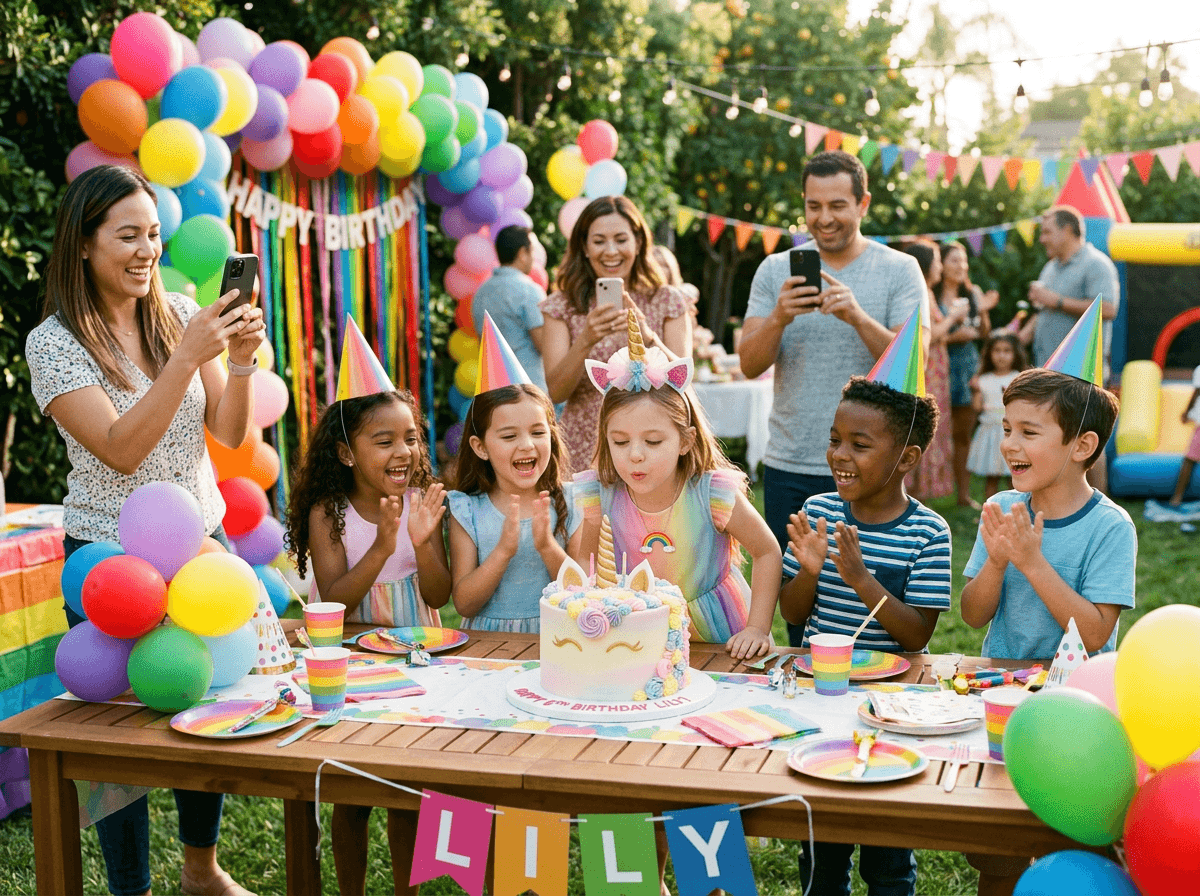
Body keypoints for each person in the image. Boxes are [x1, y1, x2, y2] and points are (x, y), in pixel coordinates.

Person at [25, 164, 263, 896]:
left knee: (201, 703)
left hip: (199, 551)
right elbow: (121, 446)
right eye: (127, 235)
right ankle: (130, 887)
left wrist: (243, 363)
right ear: (84, 245)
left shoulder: (178, 313)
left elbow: (226, 433)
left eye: (153, 233)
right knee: (119, 742)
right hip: (110, 560)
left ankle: (202, 870)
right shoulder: (54, 343)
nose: (147, 250)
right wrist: (189, 357)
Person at [739, 150, 927, 646]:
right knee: (801, 599)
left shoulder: (899, 269)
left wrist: (858, 317)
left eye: (838, 205)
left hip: (875, 465)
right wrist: (778, 317)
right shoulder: (773, 270)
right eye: (813, 206)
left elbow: (915, 362)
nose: (824, 218)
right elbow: (749, 363)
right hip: (793, 461)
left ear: (863, 203)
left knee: (875, 599)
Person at [959, 368, 1134, 896]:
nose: (1009, 444)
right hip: (1005, 702)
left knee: (1075, 841)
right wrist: (994, 563)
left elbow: (1098, 634)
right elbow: (971, 614)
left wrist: (1033, 563)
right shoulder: (1000, 509)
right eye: (1007, 428)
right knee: (997, 850)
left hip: (1081, 715)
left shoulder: (1110, 526)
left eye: (1028, 432)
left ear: (1082, 445)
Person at [779, 377, 950, 896]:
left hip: (892, 706)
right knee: (822, 844)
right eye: (835, 439)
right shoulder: (819, 511)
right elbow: (791, 610)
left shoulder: (928, 532)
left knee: (887, 850)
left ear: (906, 456)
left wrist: (860, 577)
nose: (840, 455)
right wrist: (808, 571)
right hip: (820, 696)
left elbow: (917, 633)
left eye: (859, 444)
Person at [285, 388, 452, 896]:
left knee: (407, 789)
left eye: (410, 438)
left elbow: (439, 593)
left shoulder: (423, 504)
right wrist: (382, 545)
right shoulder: (327, 512)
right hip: (351, 665)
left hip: (416, 659)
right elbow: (335, 599)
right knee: (350, 793)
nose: (403, 451)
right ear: (346, 453)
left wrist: (422, 542)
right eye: (384, 441)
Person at [575, 312, 781, 659]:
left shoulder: (712, 493)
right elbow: (586, 558)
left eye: (653, 441)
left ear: (685, 441)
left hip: (722, 637)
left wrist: (758, 628)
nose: (635, 456)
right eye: (620, 442)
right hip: (639, 638)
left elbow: (766, 551)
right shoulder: (601, 493)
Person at [541, 196, 692, 472]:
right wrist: (585, 340)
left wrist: (647, 337)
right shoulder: (562, 306)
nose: (610, 251)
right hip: (585, 450)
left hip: (654, 450)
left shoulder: (668, 300)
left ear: (638, 242)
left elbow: (685, 382)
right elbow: (557, 391)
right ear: (584, 247)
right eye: (599, 241)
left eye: (621, 239)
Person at [448, 384, 582, 631]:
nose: (527, 445)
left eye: (538, 432)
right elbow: (464, 605)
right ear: (480, 447)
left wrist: (546, 546)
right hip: (489, 646)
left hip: (558, 640)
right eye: (509, 436)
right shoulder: (466, 510)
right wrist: (503, 551)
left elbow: (582, 595)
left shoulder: (573, 501)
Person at [1029, 206, 1121, 492]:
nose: (1042, 239)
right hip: (1048, 369)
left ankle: (1102, 509)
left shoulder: (1096, 264)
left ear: (1068, 230)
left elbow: (1108, 309)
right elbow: (1045, 309)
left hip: (1081, 368)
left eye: (1047, 232)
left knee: (1088, 436)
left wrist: (1055, 300)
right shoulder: (1051, 266)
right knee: (1055, 436)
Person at [935, 241, 999, 508]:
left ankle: (963, 495)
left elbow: (984, 332)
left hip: (966, 368)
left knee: (963, 434)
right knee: (935, 432)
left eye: (964, 261)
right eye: (954, 260)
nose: (961, 266)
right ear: (940, 264)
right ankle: (929, 490)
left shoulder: (972, 293)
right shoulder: (930, 294)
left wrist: (982, 308)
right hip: (939, 366)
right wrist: (952, 337)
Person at [901, 240, 955, 502]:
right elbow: (928, 337)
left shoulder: (928, 292)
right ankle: (914, 490)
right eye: (936, 261)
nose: (941, 267)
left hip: (936, 368)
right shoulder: (919, 292)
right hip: (926, 370)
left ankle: (924, 490)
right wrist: (954, 318)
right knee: (923, 425)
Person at [471, 225, 549, 392]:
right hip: (529, 388)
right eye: (532, 252)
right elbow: (544, 344)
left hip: (494, 388)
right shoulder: (529, 290)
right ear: (522, 254)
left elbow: (482, 347)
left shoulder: (480, 293)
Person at [967, 334, 1029, 501]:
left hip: (1012, 432)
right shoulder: (983, 380)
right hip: (990, 432)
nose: (1001, 355)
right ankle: (991, 509)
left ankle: (1017, 507)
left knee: (1014, 474)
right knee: (991, 476)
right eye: (997, 350)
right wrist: (976, 391)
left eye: (1007, 351)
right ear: (989, 354)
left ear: (1015, 353)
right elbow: (977, 407)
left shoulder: (1019, 378)